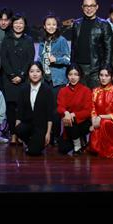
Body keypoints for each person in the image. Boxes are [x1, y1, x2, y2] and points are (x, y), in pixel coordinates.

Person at [0, 13, 35, 144]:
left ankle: (21, 133)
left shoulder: (28, 40)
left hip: (23, 79)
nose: (18, 25)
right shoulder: (6, 38)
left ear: (24, 25)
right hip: (8, 79)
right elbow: (4, 58)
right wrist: (11, 75)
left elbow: (30, 59)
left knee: (22, 108)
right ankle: (13, 134)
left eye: (21, 23)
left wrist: (21, 75)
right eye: (16, 23)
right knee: (10, 108)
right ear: (12, 24)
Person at [37, 13, 70, 144]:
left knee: (56, 110)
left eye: (54, 24)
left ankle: (56, 135)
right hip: (45, 79)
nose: (51, 26)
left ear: (57, 26)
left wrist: (56, 59)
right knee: (46, 108)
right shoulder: (42, 41)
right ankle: (48, 134)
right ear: (44, 26)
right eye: (48, 24)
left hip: (58, 80)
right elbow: (40, 58)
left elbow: (68, 59)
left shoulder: (61, 40)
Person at [66, 0, 113, 88]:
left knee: (95, 96)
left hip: (96, 69)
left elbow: (109, 48)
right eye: (86, 6)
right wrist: (72, 66)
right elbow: (73, 47)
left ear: (97, 7)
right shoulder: (76, 24)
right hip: (79, 69)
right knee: (79, 96)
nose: (89, 8)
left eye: (92, 6)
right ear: (82, 7)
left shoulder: (104, 24)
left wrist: (106, 68)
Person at [88, 65, 113, 158]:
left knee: (105, 123)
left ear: (112, 77)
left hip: (112, 123)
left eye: (106, 75)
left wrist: (100, 117)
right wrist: (94, 123)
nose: (103, 78)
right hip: (97, 122)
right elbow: (93, 109)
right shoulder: (95, 91)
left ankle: (111, 148)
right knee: (94, 146)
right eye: (101, 75)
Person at [15, 62, 55, 156]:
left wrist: (48, 133)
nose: (35, 74)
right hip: (28, 124)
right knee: (18, 129)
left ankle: (33, 143)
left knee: (34, 152)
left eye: (38, 71)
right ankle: (30, 142)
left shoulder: (47, 90)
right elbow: (19, 111)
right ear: (28, 73)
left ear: (42, 73)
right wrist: (18, 132)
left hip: (41, 127)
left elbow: (50, 114)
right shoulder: (23, 89)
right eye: (32, 71)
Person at [57, 64, 93, 155]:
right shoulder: (63, 91)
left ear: (80, 76)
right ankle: (79, 139)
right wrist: (65, 112)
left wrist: (73, 114)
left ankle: (77, 146)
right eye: (70, 74)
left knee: (71, 120)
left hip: (83, 123)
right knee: (62, 149)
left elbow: (88, 111)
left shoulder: (86, 90)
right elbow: (60, 107)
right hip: (69, 124)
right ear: (67, 76)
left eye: (76, 74)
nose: (73, 77)